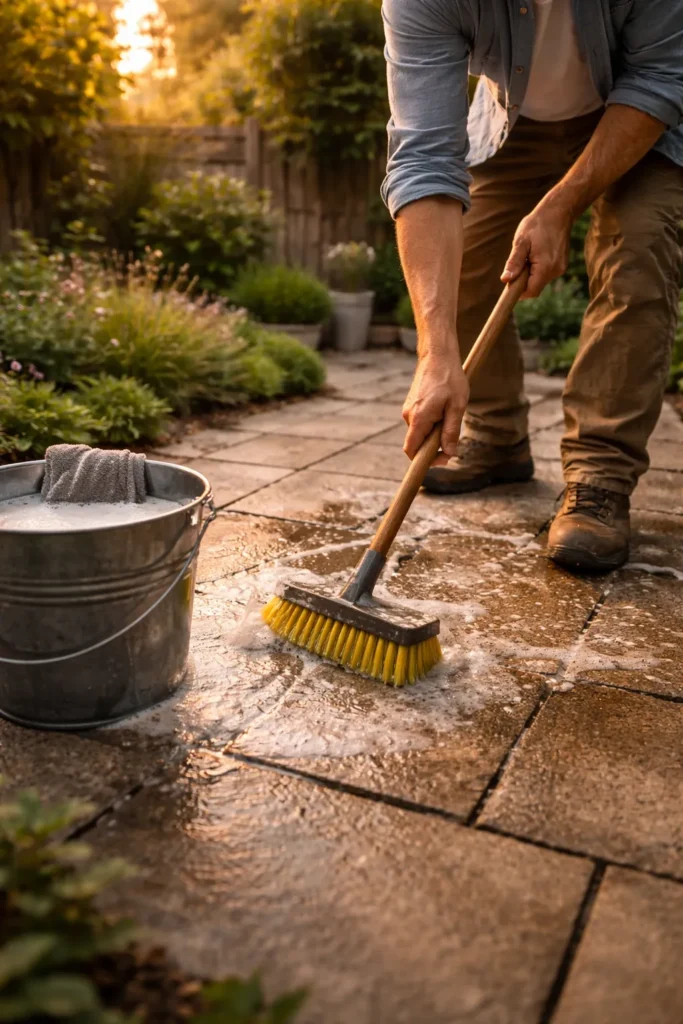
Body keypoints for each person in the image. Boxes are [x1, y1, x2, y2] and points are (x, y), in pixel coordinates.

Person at [382, 0, 683, 572]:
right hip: (514, 122)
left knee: (636, 250)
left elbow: (662, 76)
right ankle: (497, 439)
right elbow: (422, 158)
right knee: (462, 259)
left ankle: (600, 475)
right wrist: (435, 353)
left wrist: (562, 204)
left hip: (640, 113)